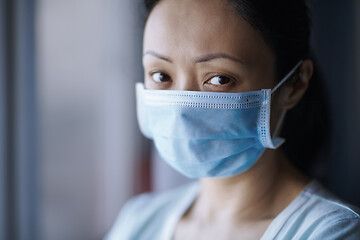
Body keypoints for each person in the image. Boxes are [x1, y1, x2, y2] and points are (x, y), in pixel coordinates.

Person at [105, 0, 360, 239]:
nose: (180, 110)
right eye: (161, 76)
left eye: (219, 79)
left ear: (294, 84)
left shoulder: (330, 232)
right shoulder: (138, 221)